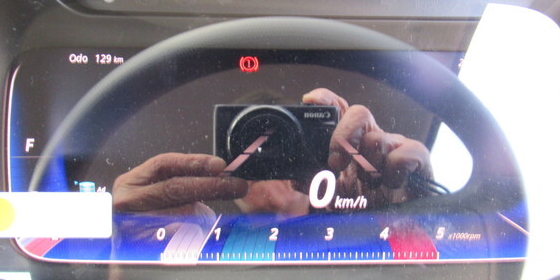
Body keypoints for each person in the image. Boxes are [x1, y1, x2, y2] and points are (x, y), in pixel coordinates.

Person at [112, 88, 433, 220]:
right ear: (224, 158)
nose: (267, 153)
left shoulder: (354, 210)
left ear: (313, 146)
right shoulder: (197, 231)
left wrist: (406, 211)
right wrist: (125, 239)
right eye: (251, 142)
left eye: (283, 139)